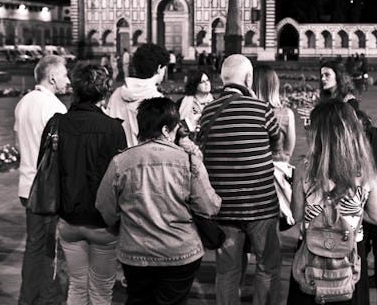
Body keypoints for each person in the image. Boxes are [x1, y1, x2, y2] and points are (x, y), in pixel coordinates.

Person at [95, 97, 222, 304]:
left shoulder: (121, 161)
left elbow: (104, 206)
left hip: (135, 251)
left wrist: (122, 224)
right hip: (180, 251)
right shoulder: (188, 161)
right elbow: (208, 206)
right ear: (165, 130)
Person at [198, 54, 282, 305]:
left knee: (227, 272)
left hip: (224, 208)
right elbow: (276, 142)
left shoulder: (207, 112)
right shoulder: (261, 109)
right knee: (267, 267)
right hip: (261, 206)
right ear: (248, 78)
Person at [287, 100, 377, 305]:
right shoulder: (366, 171)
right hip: (349, 256)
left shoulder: (304, 169)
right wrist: (351, 213)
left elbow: (296, 215)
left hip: (311, 254)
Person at [55, 65, 128, 305]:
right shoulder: (113, 128)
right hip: (102, 223)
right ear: (104, 92)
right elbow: (121, 178)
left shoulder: (57, 124)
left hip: (68, 218)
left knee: (77, 285)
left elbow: (46, 169)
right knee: (100, 290)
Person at [14, 55, 70, 305]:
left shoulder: (23, 102)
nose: (67, 80)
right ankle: (48, 298)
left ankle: (27, 297)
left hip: (27, 184)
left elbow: (19, 144)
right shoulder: (55, 107)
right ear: (52, 77)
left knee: (34, 246)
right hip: (47, 189)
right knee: (50, 249)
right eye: (65, 74)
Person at [253, 65, 296, 228]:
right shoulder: (286, 114)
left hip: (252, 179)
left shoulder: (248, 113)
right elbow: (288, 151)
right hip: (277, 179)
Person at [106, 43, 168, 147]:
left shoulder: (117, 93)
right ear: (159, 68)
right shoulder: (158, 100)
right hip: (143, 158)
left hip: (116, 155)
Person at [178, 69, 214, 140]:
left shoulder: (215, 101)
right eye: (202, 82)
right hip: (188, 140)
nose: (207, 84)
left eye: (207, 80)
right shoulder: (183, 102)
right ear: (194, 84)